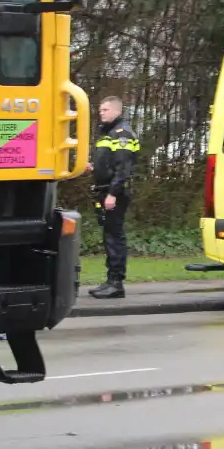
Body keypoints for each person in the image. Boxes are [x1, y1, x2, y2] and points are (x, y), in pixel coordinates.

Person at [87, 96, 140, 299]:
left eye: (106, 109)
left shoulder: (122, 134)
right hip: (106, 190)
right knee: (109, 235)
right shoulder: (108, 134)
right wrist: (93, 168)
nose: (102, 113)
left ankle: (116, 283)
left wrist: (112, 194)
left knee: (114, 237)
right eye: (100, 110)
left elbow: (123, 168)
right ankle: (110, 281)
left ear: (117, 111)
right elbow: (109, 165)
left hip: (114, 192)